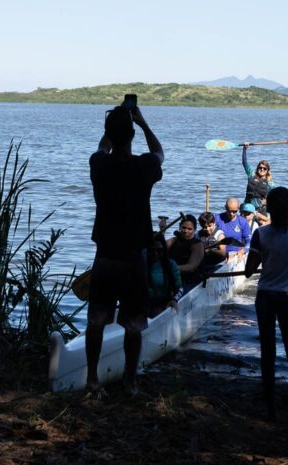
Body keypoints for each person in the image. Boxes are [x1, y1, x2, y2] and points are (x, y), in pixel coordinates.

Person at [85, 104, 163, 395]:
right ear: (131, 135)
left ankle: (92, 380)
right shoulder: (143, 167)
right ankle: (130, 382)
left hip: (105, 255)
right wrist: (142, 122)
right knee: (133, 324)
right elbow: (159, 153)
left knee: (96, 320)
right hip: (133, 258)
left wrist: (114, 129)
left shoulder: (99, 166)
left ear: (108, 134)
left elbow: (102, 148)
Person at [245, 187, 288, 421]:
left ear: (269, 209)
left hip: (265, 295)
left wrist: (266, 259)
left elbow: (248, 271)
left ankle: (270, 406)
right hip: (287, 296)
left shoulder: (261, 234)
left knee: (268, 351)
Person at [147, 233, 183, 318]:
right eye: (151, 250)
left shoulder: (171, 265)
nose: (155, 253)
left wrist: (174, 299)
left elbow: (180, 288)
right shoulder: (140, 265)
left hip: (161, 304)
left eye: (159, 250)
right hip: (142, 305)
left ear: (164, 250)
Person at [167, 215, 205, 293]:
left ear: (195, 230)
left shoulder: (197, 245)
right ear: (180, 228)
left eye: (189, 229)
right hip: (174, 278)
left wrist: (170, 268)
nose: (186, 231)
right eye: (183, 228)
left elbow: (191, 267)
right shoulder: (173, 240)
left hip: (190, 281)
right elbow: (159, 250)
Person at [242, 143, 276, 214]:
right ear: (257, 169)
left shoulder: (270, 183)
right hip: (247, 208)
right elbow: (245, 163)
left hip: (260, 210)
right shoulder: (251, 175)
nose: (262, 169)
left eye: (264, 168)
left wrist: (267, 201)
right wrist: (244, 149)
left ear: (267, 171)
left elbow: (276, 197)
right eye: (260, 167)